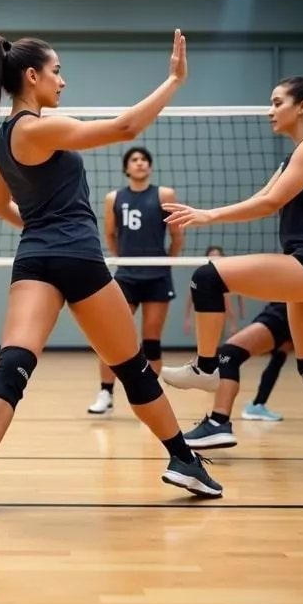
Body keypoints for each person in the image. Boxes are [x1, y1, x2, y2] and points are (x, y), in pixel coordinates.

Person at [0, 29, 223, 523]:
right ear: (31, 76)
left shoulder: (2, 139)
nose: (63, 81)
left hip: (34, 259)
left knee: (13, 365)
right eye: (56, 71)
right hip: (79, 258)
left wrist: (40, 229)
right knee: (133, 368)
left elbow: (0, 207)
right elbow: (126, 128)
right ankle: (183, 459)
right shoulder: (39, 128)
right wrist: (174, 80)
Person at [159, 75, 303, 471]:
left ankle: (207, 368)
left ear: (302, 107)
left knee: (207, 277)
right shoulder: (294, 156)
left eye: (277, 102)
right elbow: (261, 198)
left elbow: (270, 203)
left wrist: (208, 215)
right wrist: (206, 214)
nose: (270, 110)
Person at [87, 146, 183, 415]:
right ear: (126, 168)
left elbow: (177, 236)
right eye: (134, 160)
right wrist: (124, 259)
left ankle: (151, 398)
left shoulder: (164, 194)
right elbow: (110, 234)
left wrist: (166, 263)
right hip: (127, 276)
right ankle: (106, 393)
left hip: (157, 275)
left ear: (149, 167)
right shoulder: (114, 198)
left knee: (151, 339)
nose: (140, 163)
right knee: (111, 336)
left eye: (144, 160)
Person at [169, 301, 291, 449]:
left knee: (229, 354)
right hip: (295, 309)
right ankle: (256, 404)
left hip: (285, 308)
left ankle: (218, 421)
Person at [182, 246, 245, 336]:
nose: (214, 260)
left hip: (219, 314)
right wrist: (187, 318)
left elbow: (236, 293)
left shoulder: (226, 275)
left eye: (216, 257)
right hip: (203, 313)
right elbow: (191, 294)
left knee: (217, 336)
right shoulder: (199, 275)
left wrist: (238, 315)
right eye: (211, 257)